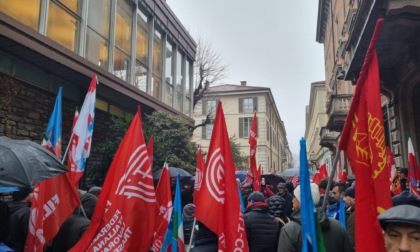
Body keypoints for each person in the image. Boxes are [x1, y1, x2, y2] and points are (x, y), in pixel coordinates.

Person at [278, 183, 353, 252]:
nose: (292, 200)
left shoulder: (289, 230)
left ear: (301, 200)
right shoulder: (337, 226)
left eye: (295, 197)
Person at [3, 187, 33, 252]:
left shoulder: (7, 208)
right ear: (25, 196)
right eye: (31, 192)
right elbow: (31, 235)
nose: (33, 194)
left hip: (8, 247)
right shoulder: (27, 212)